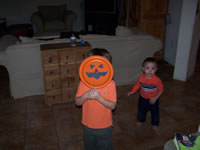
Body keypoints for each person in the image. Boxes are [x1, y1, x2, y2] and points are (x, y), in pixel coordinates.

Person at [75, 48, 117, 150]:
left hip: (104, 126)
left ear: (108, 68)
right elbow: (77, 102)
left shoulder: (111, 84)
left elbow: (112, 105)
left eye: (101, 66)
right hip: (87, 125)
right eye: (93, 66)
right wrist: (85, 95)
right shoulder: (83, 83)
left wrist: (99, 98)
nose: (96, 70)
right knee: (89, 146)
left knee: (105, 147)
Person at [128, 57, 163, 132]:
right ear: (143, 69)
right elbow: (137, 85)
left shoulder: (157, 80)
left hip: (153, 99)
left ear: (156, 70)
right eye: (147, 68)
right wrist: (132, 91)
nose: (150, 70)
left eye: (153, 68)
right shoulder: (141, 77)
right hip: (142, 98)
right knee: (141, 110)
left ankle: (155, 124)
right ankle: (141, 120)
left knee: (155, 112)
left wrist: (155, 98)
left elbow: (161, 90)